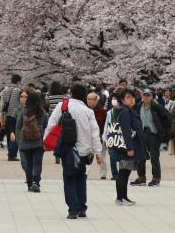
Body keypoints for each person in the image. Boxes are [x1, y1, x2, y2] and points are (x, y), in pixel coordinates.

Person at [48, 85, 102, 218]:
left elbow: (51, 124)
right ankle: (82, 208)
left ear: (70, 93)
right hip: (84, 150)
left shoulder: (62, 106)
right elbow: (95, 132)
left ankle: (73, 209)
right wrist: (98, 152)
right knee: (81, 177)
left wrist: (47, 142)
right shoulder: (88, 111)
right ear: (84, 95)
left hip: (68, 149)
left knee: (69, 177)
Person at [112, 88, 146, 206]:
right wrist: (130, 148)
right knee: (123, 173)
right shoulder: (125, 112)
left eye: (132, 97)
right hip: (125, 148)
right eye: (127, 97)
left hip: (127, 147)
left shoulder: (129, 110)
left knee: (125, 172)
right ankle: (120, 198)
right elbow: (126, 131)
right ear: (122, 100)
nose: (131, 99)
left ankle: (124, 197)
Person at [131, 88, 170, 187]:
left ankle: (156, 178)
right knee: (140, 155)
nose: (146, 97)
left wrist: (163, 130)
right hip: (143, 132)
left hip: (154, 133)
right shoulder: (140, 105)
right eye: (144, 95)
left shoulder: (156, 106)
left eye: (148, 95)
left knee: (154, 157)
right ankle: (141, 177)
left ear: (152, 97)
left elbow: (167, 118)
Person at [12, 92, 47, 193]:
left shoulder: (24, 112)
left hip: (26, 141)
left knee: (29, 163)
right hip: (39, 141)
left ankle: (29, 184)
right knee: (38, 163)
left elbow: (18, 126)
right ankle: (36, 182)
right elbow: (46, 126)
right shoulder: (42, 112)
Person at [1, 74, 23, 161]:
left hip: (6, 115)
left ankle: (10, 153)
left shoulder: (4, 90)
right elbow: (20, 102)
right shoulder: (18, 90)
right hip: (15, 115)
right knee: (15, 133)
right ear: (18, 81)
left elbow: (2, 104)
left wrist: (2, 116)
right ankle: (12, 154)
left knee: (8, 133)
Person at [87, 92, 108, 180]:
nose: (90, 101)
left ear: (96, 100)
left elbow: (105, 125)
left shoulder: (102, 112)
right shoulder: (84, 110)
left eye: (92, 99)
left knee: (102, 156)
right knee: (87, 156)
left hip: (100, 136)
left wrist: (105, 137)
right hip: (88, 137)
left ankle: (103, 174)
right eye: (88, 99)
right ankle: (85, 173)